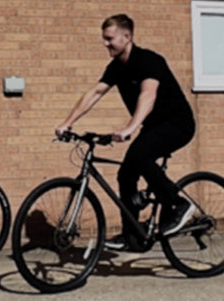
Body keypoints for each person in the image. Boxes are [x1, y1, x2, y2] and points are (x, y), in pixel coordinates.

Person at [55, 14, 196, 250]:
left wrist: (130, 127)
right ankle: (133, 236)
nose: (105, 44)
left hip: (178, 124)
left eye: (109, 38)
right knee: (126, 174)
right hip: (154, 127)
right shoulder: (117, 68)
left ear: (127, 36)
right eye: (104, 39)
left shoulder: (149, 61)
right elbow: (95, 93)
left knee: (141, 156)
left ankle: (178, 204)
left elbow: (148, 95)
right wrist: (67, 123)